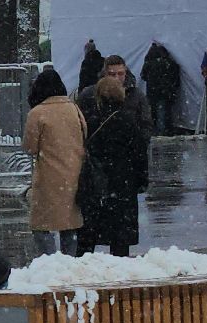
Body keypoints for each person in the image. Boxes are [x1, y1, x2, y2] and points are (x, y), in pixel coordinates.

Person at [76, 76, 149, 257]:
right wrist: (141, 180)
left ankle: (82, 268)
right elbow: (140, 153)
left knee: (89, 233)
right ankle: (119, 269)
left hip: (96, 183)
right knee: (120, 236)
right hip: (123, 182)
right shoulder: (129, 121)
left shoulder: (91, 122)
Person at [23, 67, 86, 256]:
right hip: (74, 174)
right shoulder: (74, 108)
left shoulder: (37, 113)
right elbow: (85, 133)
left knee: (41, 225)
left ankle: (49, 261)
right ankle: (69, 261)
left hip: (48, 178)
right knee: (69, 225)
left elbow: (29, 147)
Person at [140, 42, 181, 136]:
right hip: (167, 91)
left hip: (153, 91)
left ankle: (157, 131)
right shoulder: (170, 63)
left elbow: (143, 76)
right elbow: (175, 78)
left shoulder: (149, 63)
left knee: (154, 111)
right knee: (165, 112)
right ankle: (165, 131)